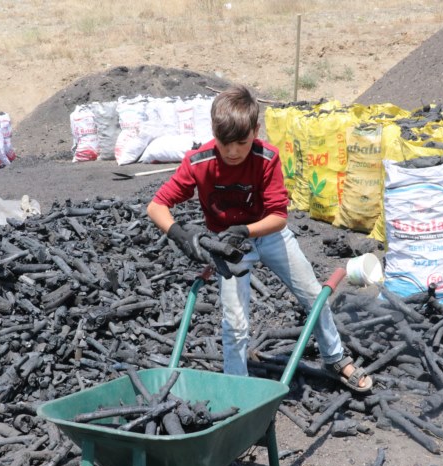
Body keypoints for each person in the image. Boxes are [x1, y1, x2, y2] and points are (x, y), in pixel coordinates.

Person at [146, 84, 373, 392]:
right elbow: (157, 205)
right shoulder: (198, 162)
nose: (233, 151)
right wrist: (180, 235)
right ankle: (237, 388)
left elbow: (279, 217)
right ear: (214, 131)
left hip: (268, 235)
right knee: (235, 322)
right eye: (225, 142)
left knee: (312, 295)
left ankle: (334, 358)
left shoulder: (267, 158)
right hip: (226, 245)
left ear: (256, 130)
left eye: (241, 142)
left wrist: (247, 230)